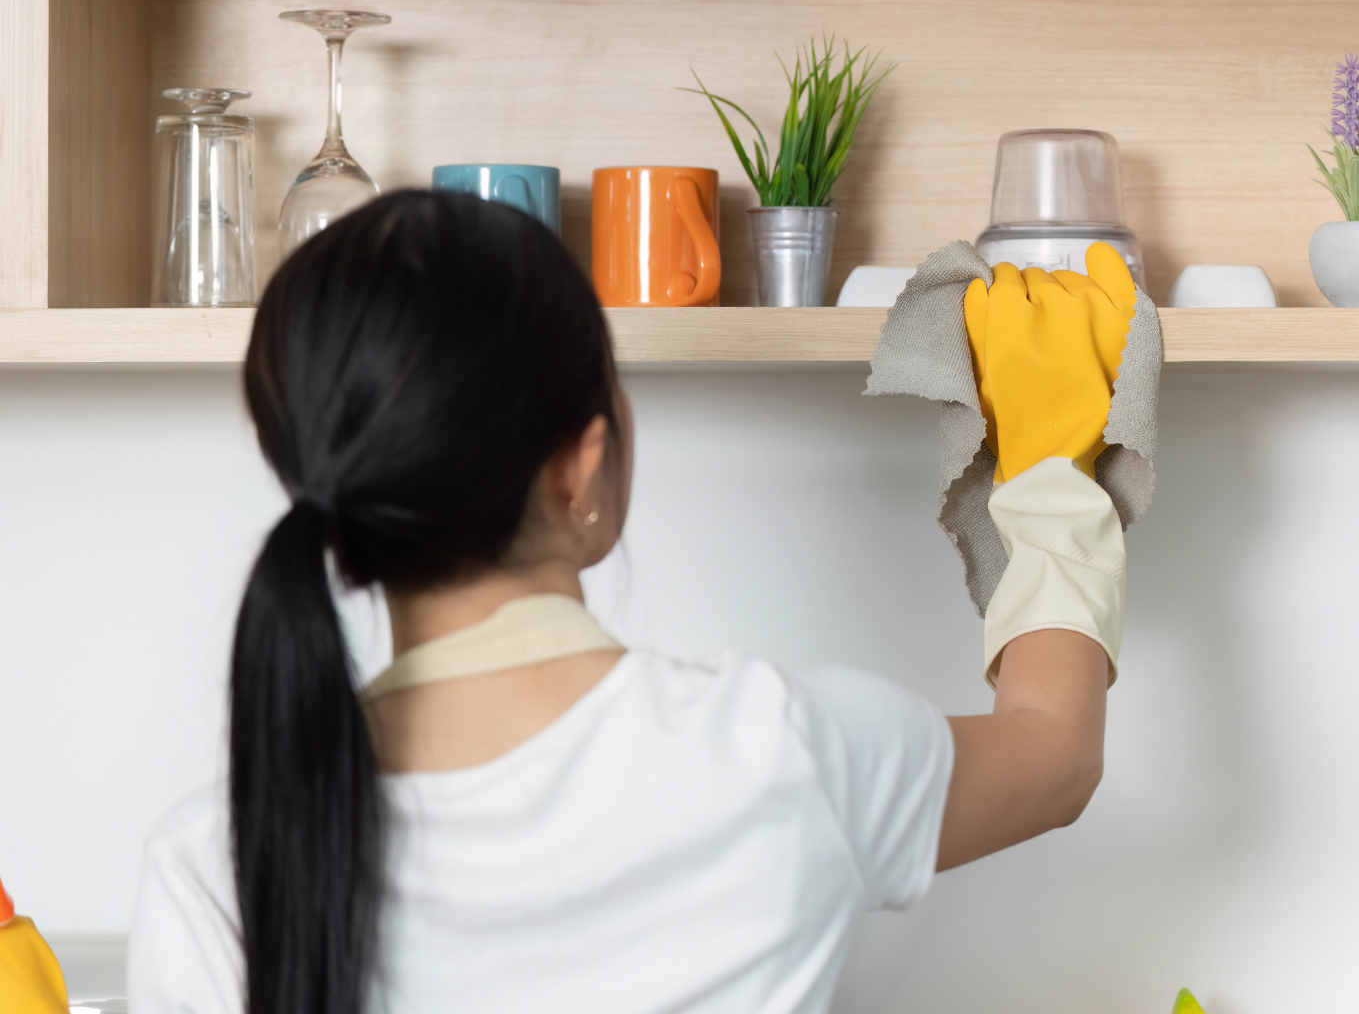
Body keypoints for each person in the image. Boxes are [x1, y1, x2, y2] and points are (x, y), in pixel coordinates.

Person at [127, 191, 1132, 1014]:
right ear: (583, 470)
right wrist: (1048, 465)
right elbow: (1054, 752)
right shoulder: (775, 751)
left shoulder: (210, 867)